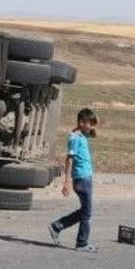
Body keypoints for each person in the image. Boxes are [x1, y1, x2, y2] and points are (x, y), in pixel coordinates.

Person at [48, 108, 99, 252]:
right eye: (90, 124)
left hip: (85, 178)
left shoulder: (82, 135)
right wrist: (66, 181)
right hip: (81, 179)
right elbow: (69, 160)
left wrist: (93, 124)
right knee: (87, 213)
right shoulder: (75, 138)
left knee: (85, 211)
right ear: (82, 123)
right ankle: (82, 243)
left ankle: (57, 226)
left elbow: (94, 133)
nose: (92, 127)